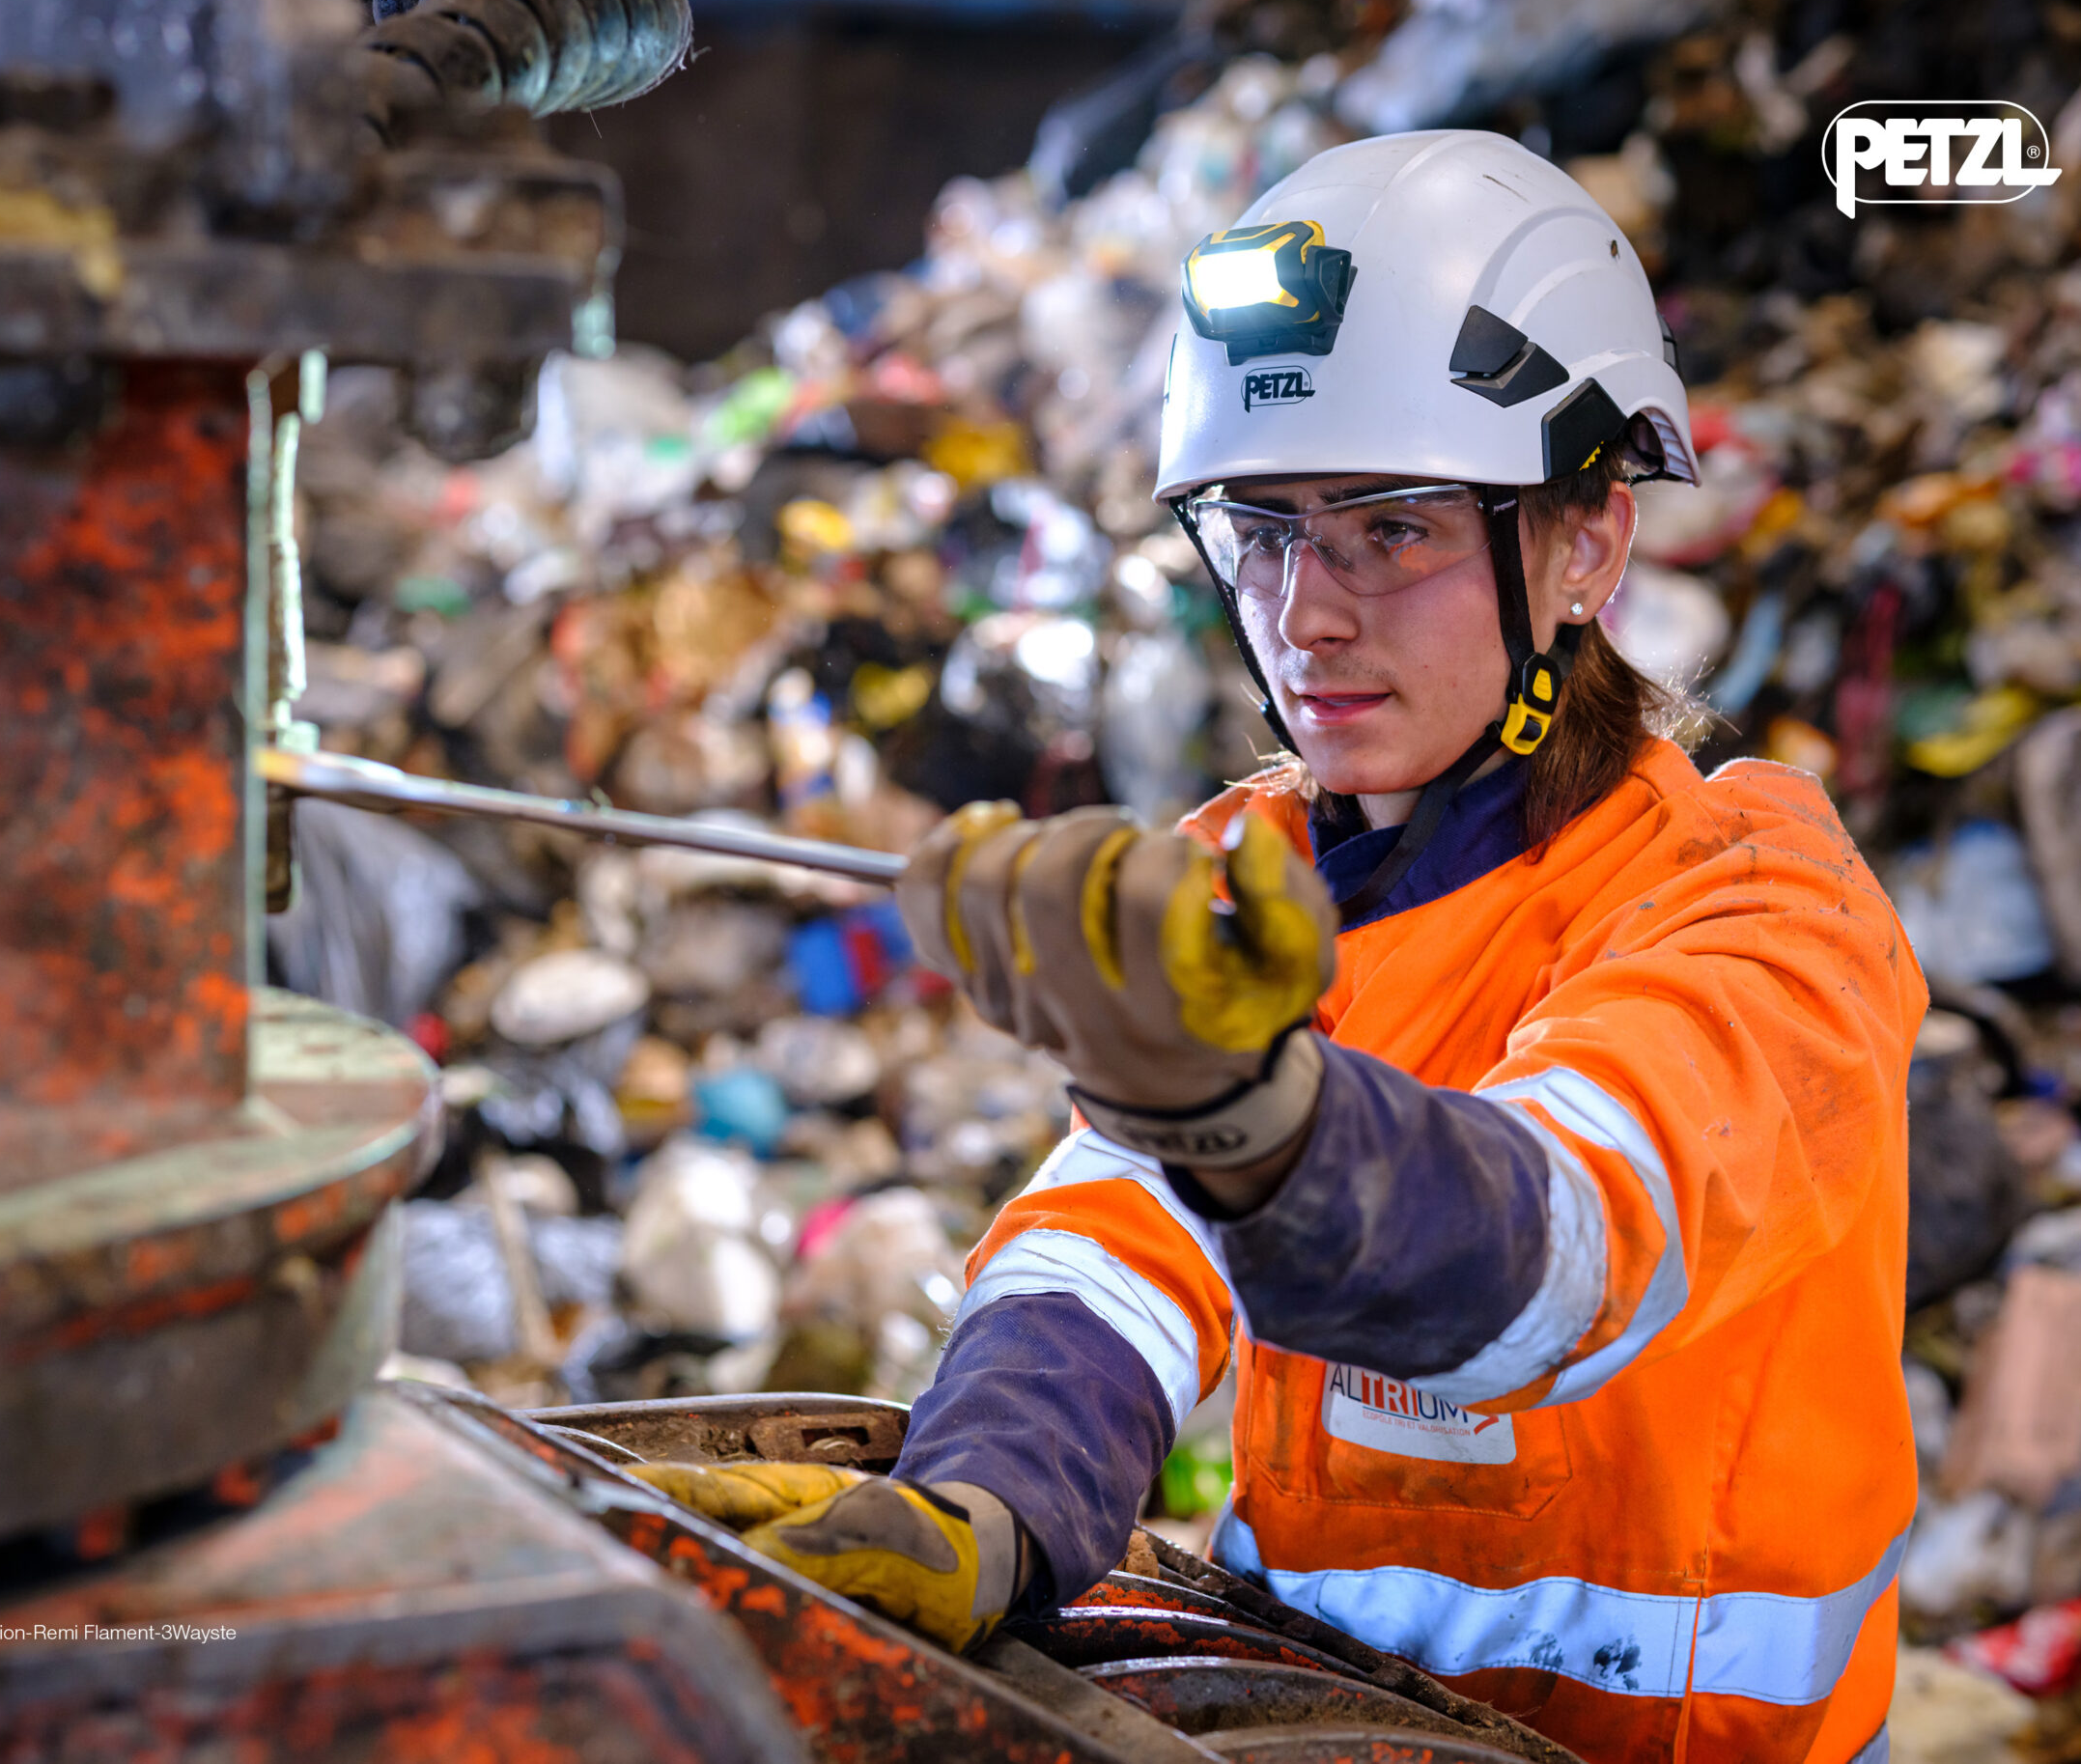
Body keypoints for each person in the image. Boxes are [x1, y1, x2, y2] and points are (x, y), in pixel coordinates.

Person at [643, 130, 1926, 1764]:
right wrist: (984, 1497)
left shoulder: (1760, 902)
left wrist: (1256, 1114)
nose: (1305, 611)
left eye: (1391, 528)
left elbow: (1553, 1253)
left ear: (1587, 541)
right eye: (1262, 528)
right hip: (1322, 1722)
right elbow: (1116, 1236)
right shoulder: (1245, 878)